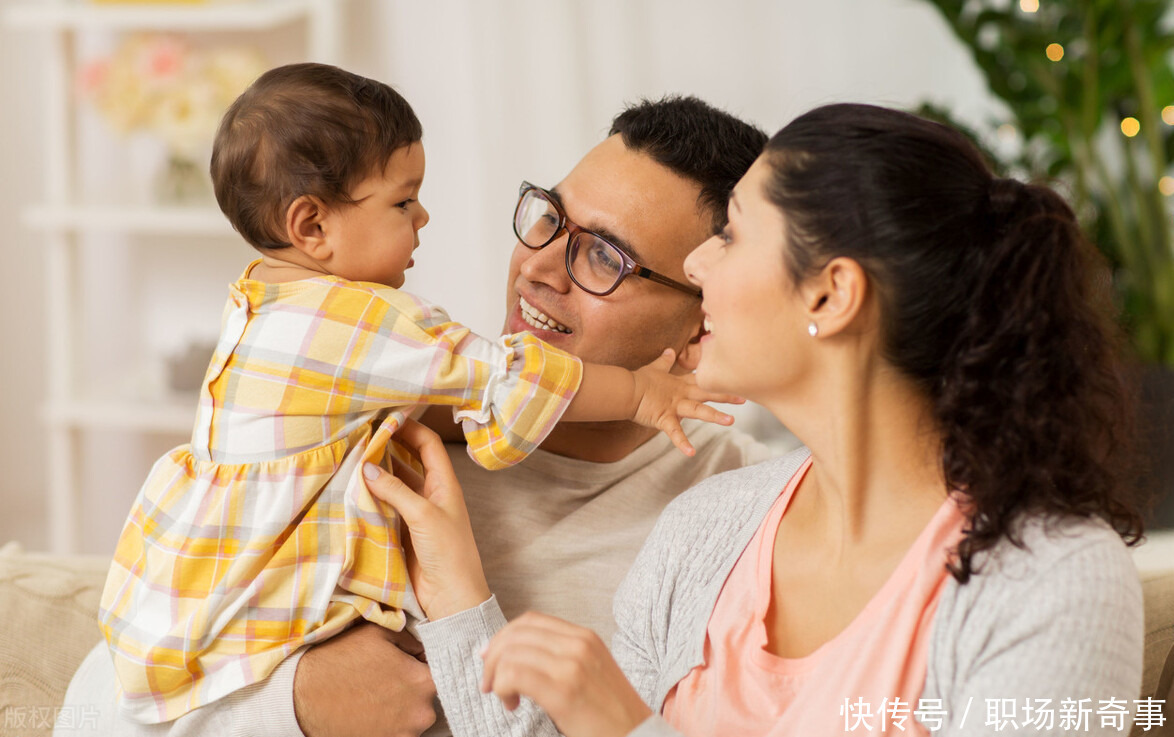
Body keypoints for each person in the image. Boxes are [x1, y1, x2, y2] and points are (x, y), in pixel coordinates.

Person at [363, 103, 1148, 737]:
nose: (701, 268)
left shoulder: (1055, 577)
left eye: (732, 235)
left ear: (830, 295)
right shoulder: (708, 529)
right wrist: (461, 595)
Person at [57, 95, 772, 736]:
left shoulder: (742, 520)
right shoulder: (373, 423)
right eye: (550, 218)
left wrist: (468, 612)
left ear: (702, 326)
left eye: (604, 257)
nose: (540, 267)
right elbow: (92, 708)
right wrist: (297, 704)